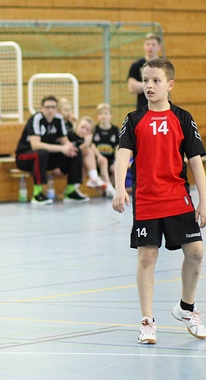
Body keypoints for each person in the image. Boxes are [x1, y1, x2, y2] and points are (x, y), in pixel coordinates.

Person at [113, 57, 206, 345]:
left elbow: (195, 161)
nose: (149, 86)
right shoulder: (133, 119)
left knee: (196, 251)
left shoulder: (183, 118)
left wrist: (203, 200)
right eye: (145, 80)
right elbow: (122, 155)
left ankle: (186, 308)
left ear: (170, 84)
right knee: (147, 257)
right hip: (147, 199)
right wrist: (119, 187)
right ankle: (147, 321)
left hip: (177, 196)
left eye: (156, 80)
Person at [14, 95, 88, 205]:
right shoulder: (36, 119)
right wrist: (62, 148)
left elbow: (65, 141)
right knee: (41, 153)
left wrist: (69, 148)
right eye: (47, 107)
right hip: (24, 157)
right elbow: (36, 145)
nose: (50, 110)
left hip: (46, 157)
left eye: (53, 107)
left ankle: (71, 191)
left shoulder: (58, 119)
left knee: (76, 152)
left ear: (57, 109)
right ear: (41, 108)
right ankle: (37, 194)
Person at [75, 115, 114, 197]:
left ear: (90, 133)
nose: (83, 130)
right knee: (88, 152)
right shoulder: (72, 136)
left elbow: (92, 147)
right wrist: (86, 144)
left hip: (82, 163)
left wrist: (99, 156)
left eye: (87, 130)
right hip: (70, 163)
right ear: (77, 126)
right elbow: (75, 152)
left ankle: (108, 186)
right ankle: (94, 178)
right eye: (82, 127)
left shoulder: (87, 141)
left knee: (103, 160)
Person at [128, 33, 162, 109]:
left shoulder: (164, 65)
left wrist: (144, 85)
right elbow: (131, 87)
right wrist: (153, 84)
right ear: (144, 46)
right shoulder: (137, 65)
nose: (150, 47)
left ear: (159, 46)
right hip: (143, 107)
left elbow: (166, 85)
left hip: (160, 107)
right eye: (148, 44)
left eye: (153, 44)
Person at [93, 103, 118, 179]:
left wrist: (116, 161)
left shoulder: (115, 130)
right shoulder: (94, 129)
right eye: (100, 114)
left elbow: (117, 146)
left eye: (106, 113)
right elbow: (92, 145)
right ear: (97, 116)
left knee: (116, 170)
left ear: (111, 115)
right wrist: (99, 156)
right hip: (98, 160)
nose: (103, 116)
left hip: (111, 160)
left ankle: (112, 185)